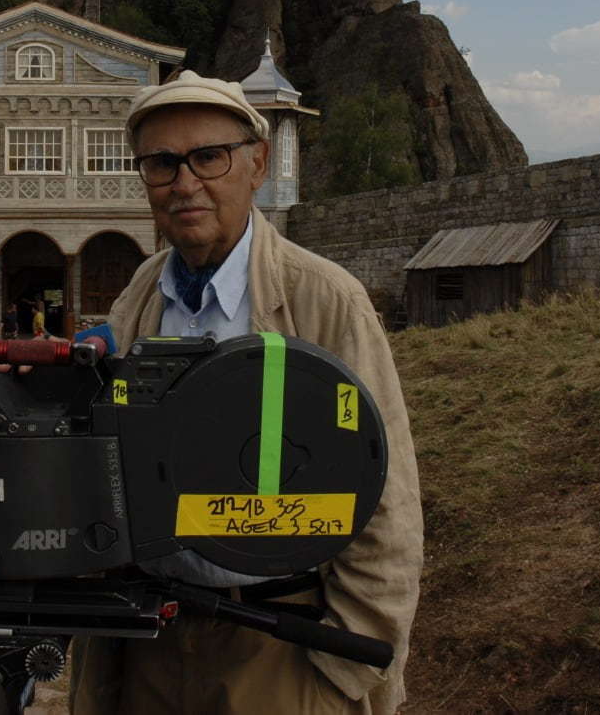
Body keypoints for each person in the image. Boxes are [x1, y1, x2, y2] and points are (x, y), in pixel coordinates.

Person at [70, 71, 424, 714]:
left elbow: (384, 497)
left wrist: (341, 669)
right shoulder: (140, 295)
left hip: (280, 644)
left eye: (209, 156)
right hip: (151, 639)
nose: (185, 182)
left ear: (257, 163)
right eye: (161, 163)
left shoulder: (324, 298)